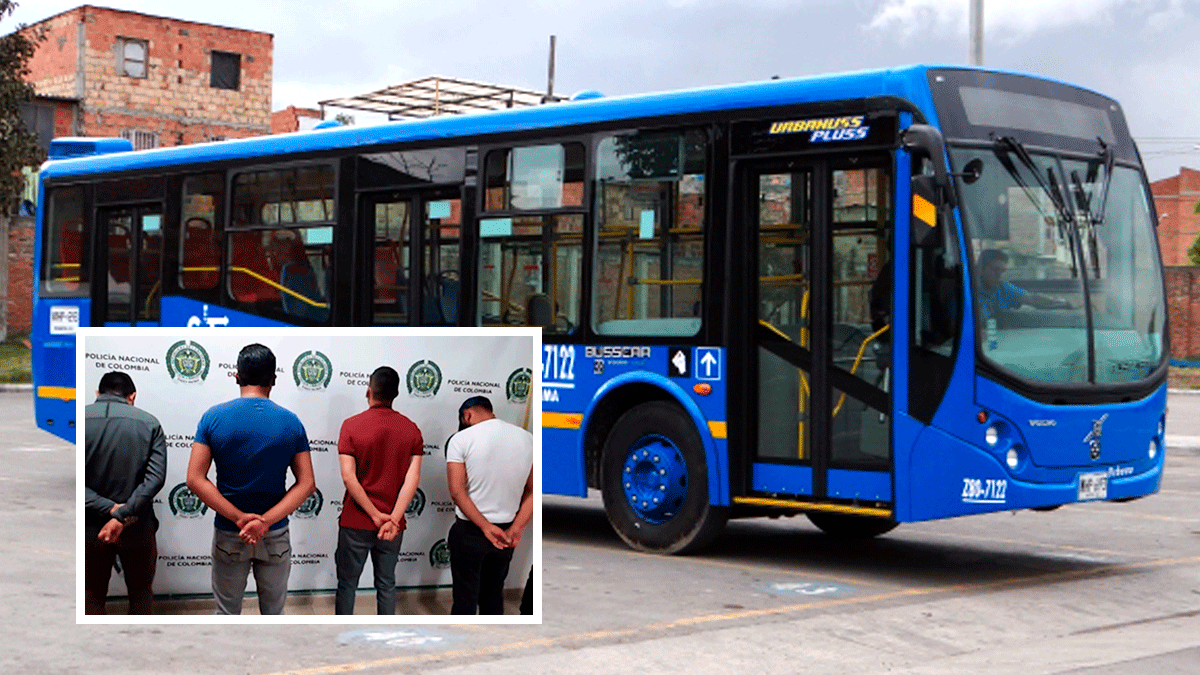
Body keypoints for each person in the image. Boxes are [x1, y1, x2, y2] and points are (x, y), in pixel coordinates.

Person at [186, 343, 315, 615]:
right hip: (275, 532)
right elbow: (306, 483)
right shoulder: (291, 422)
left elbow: (195, 479)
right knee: (273, 613)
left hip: (230, 531)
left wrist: (239, 519)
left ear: (237, 376)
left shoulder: (213, 418)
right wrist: (264, 522)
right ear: (274, 379)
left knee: (227, 614)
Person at [334, 366, 424, 615]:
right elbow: (412, 480)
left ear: (368, 391)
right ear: (396, 393)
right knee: (386, 583)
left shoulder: (350, 426)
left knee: (347, 584)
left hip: (356, 521)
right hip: (392, 526)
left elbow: (349, 477)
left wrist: (374, 515)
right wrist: (392, 519)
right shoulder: (411, 429)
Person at [84, 371, 166, 614]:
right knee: (141, 593)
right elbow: (155, 480)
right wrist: (123, 514)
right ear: (132, 396)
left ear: (98, 394)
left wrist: (109, 509)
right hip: (136, 525)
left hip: (90, 528)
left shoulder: (77, 420)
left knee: (91, 594)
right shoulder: (150, 423)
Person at [445, 396, 534, 615]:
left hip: (470, 531)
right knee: (493, 597)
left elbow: (457, 492)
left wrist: (485, 527)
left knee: (465, 599)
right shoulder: (528, 439)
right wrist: (517, 528)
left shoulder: (461, 439)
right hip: (506, 533)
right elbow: (533, 489)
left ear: (467, 415)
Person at [977, 249, 1072, 319]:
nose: (999, 275)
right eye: (995, 270)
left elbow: (1033, 299)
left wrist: (1061, 303)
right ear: (980, 268)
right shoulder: (968, 293)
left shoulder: (1003, 288)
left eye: (1002, 271)